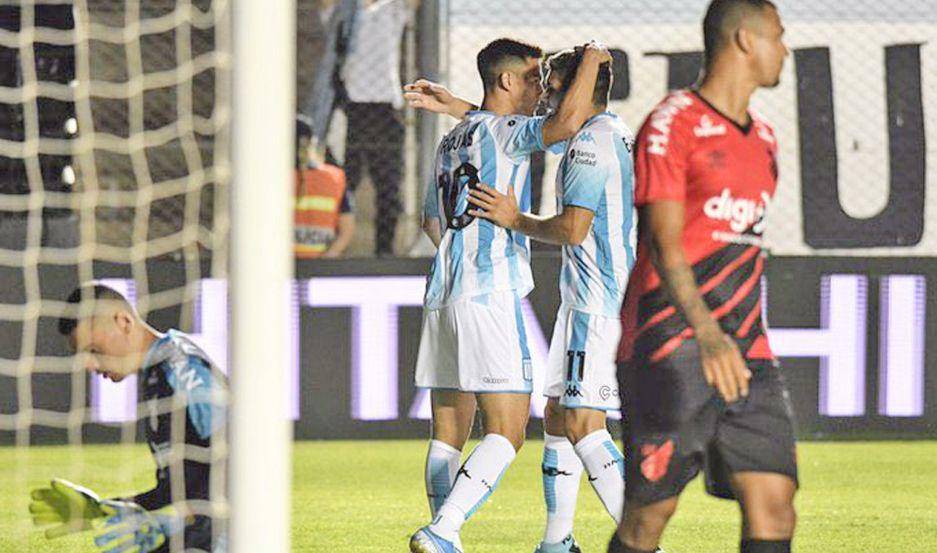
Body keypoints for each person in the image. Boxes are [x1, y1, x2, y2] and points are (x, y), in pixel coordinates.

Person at [405, 38, 611, 553]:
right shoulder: (508, 133)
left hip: (443, 293)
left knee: (447, 433)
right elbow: (564, 125)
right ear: (505, 82)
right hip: (489, 290)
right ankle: (443, 530)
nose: (542, 88)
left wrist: (455, 104)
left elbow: (431, 221)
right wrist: (591, 58)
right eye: (534, 77)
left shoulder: (453, 140)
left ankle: (442, 534)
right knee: (508, 430)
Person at [610, 2, 797, 552]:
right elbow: (665, 245)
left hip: (748, 350)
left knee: (775, 507)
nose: (784, 49)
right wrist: (708, 335)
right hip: (671, 344)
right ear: (745, 39)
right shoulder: (672, 124)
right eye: (779, 37)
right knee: (649, 517)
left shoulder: (763, 137)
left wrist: (729, 339)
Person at [464, 48, 640, 553]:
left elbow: (572, 228)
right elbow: (516, 129)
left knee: (585, 423)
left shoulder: (589, 146)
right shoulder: (613, 131)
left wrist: (514, 218)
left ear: (575, 91)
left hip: (597, 301)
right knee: (560, 414)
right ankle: (557, 540)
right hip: (593, 297)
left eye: (551, 85)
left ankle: (643, 542)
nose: (543, 95)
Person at [29, 284, 227, 553]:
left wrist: (169, 519)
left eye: (93, 349)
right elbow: (183, 487)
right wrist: (106, 507)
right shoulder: (157, 373)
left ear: (123, 321)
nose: (88, 364)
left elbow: (243, 459)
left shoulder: (181, 369)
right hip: (199, 533)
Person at [339, 0, 419, 256]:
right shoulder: (346, 12)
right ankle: (333, 246)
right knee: (344, 182)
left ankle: (384, 251)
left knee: (388, 186)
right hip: (352, 107)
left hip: (385, 107)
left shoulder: (391, 9)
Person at [295, 116, 356, 258]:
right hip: (321, 264)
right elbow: (346, 229)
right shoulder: (334, 178)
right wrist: (327, 258)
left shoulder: (271, 180)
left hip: (280, 266)